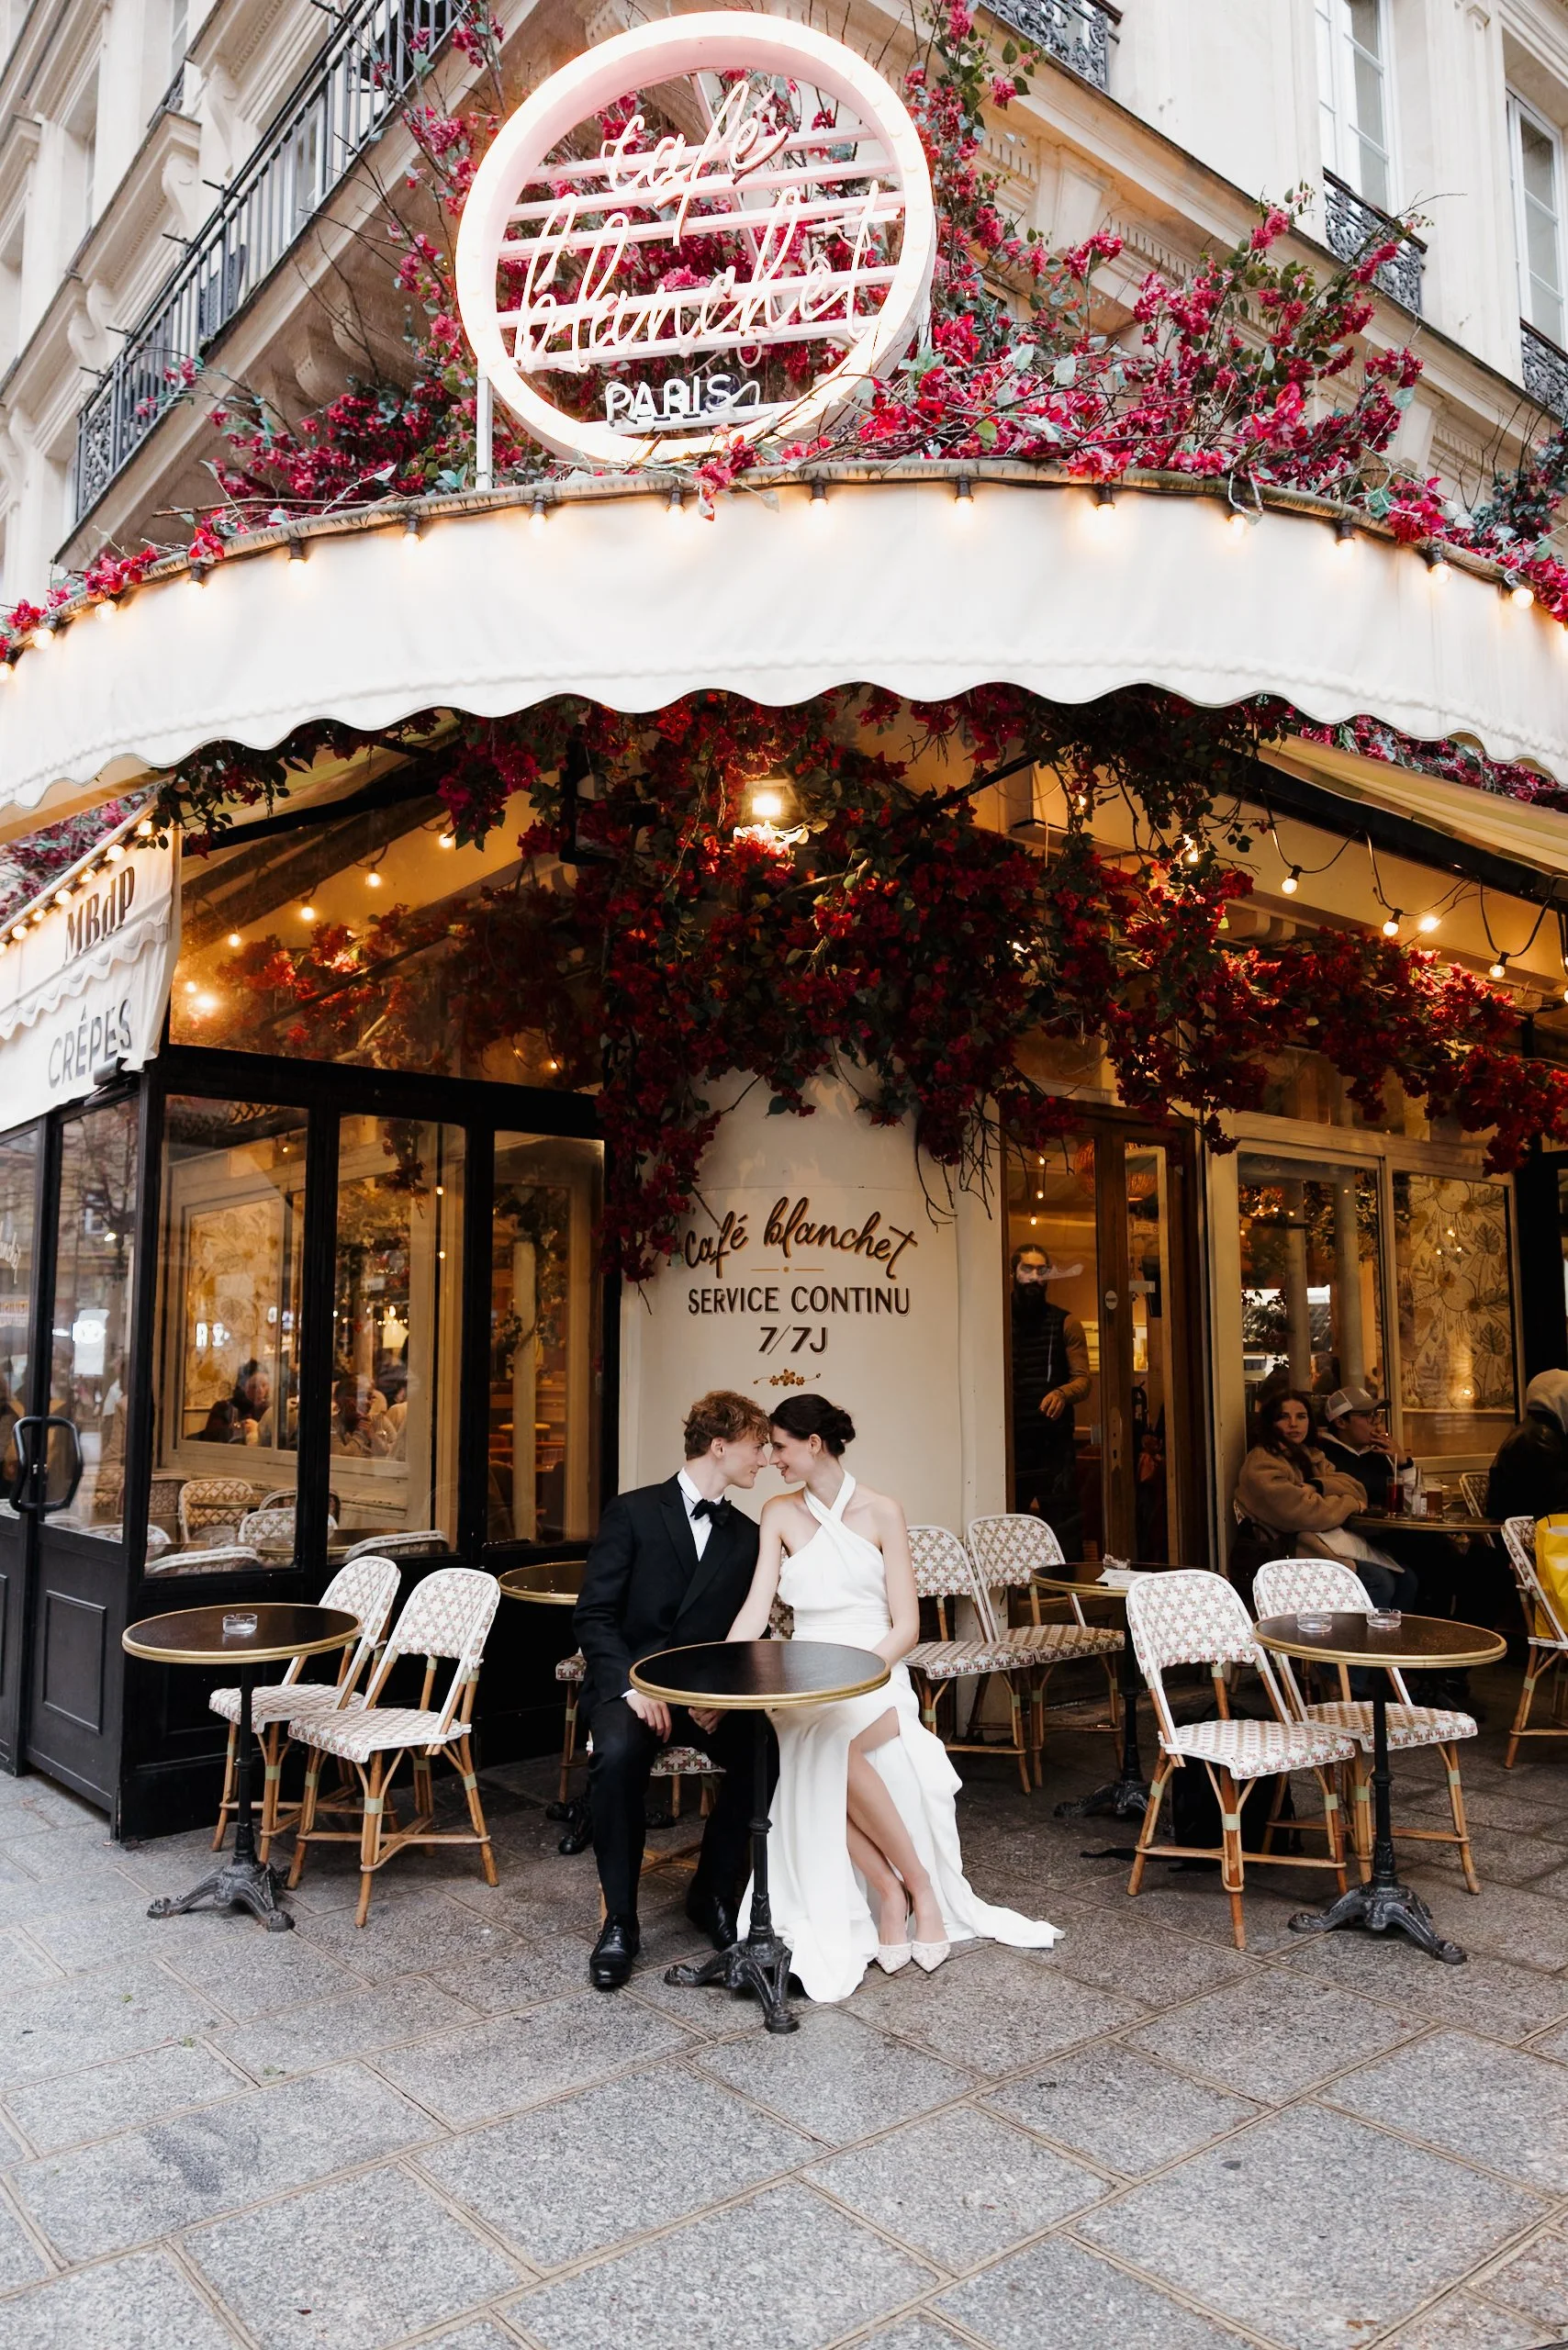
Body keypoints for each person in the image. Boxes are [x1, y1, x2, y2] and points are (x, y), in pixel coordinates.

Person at [723, 1393, 1060, 2003]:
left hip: (872, 1672)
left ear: (813, 1445)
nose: (772, 1457)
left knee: (830, 1743)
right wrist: (726, 1664)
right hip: (805, 1675)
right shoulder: (777, 1512)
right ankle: (891, 1887)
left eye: (779, 1445)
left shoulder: (883, 1511)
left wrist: (858, 1674)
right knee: (809, 1740)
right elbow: (756, 1606)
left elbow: (906, 1625)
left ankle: (921, 1890)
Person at [573, 1389, 775, 1992]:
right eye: (756, 1447)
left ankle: (711, 1892)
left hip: (704, 1697)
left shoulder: (746, 1534)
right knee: (615, 1757)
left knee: (765, 1750)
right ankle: (621, 1923)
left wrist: (720, 1698)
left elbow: (745, 1631)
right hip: (629, 1690)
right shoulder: (633, 1512)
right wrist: (631, 1687)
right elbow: (594, 1616)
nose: (763, 1459)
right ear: (720, 1446)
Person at [1235, 1389, 1417, 1612]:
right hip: (1290, 1550)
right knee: (1380, 1581)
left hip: (1328, 1542)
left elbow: (1356, 1488)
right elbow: (1304, 1513)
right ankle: (1353, 1644)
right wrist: (1348, 1504)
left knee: (1408, 1579)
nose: (1294, 1424)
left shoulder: (1311, 1455)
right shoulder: (1262, 1463)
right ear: (1270, 1423)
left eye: (1301, 1417)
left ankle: (1389, 1644)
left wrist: (1318, 1486)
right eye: (1284, 1417)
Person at [1009, 1246, 1091, 1557]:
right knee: (1010, 1524)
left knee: (1064, 1525)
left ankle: (1071, 1597)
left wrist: (1062, 1393)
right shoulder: (997, 1320)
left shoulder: (1065, 1323)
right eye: (1026, 1269)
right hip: (1011, 1442)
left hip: (1053, 1443)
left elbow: (1083, 1380)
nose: (1034, 1277)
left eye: (1041, 1271)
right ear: (1013, 1273)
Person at [1487, 1369, 1568, 1525]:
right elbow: (1560, 1503)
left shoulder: (1532, 1430)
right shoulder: (1541, 1439)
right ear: (1561, 1400)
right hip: (1531, 1536)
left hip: (1523, 1529)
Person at [1316, 1386, 1410, 1512]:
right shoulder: (1321, 1456)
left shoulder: (1382, 1454)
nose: (1376, 1422)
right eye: (1367, 1415)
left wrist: (1404, 1465)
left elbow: (1412, 1508)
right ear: (1341, 1422)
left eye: (1376, 1414)